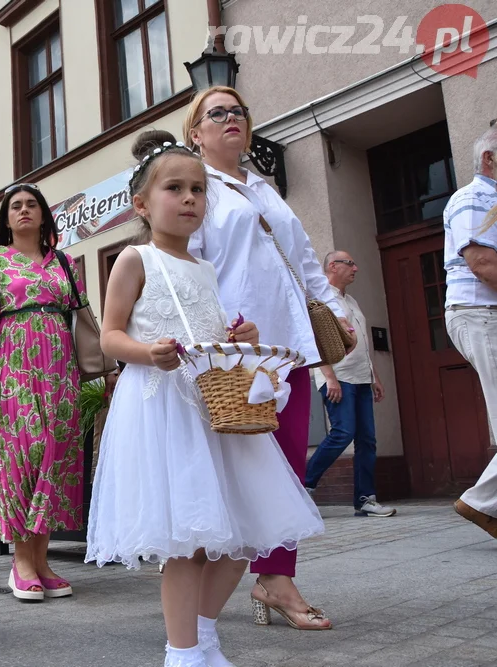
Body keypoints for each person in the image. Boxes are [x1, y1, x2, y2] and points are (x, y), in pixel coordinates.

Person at [86, 130, 324, 667]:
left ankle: (204, 633)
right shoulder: (134, 259)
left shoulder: (206, 268)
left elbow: (208, 329)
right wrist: (148, 351)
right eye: (175, 188)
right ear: (142, 203)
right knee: (187, 543)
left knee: (242, 539)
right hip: (165, 409)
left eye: (198, 189)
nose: (191, 197)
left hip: (214, 411)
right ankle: (183, 652)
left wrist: (237, 337)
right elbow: (111, 336)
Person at [185, 85, 353, 630]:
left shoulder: (264, 187)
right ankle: (217, 577)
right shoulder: (196, 189)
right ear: (196, 133)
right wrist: (216, 334)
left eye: (238, 111)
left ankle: (274, 575)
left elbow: (304, 263)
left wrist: (335, 309)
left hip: (291, 348)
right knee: (244, 468)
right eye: (218, 113)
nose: (231, 118)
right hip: (240, 351)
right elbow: (190, 269)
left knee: (286, 466)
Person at [0, 184, 85, 601]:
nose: (23, 211)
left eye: (31, 204)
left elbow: (80, 313)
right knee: (24, 455)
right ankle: (20, 562)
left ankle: (42, 560)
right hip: (13, 366)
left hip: (61, 367)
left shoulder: (66, 263)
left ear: (43, 214)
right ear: (6, 217)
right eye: (15, 206)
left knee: (55, 456)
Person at [304, 251, 396, 517]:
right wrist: (329, 377)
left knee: (367, 439)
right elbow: (315, 340)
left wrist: (374, 376)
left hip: (361, 378)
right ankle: (304, 485)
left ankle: (365, 499)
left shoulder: (352, 301)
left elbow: (363, 344)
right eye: (350, 263)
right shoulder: (321, 298)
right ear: (333, 266)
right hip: (338, 377)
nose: (356, 268)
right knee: (343, 433)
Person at [447, 126, 497, 536]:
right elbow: (482, 263)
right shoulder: (474, 198)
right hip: (482, 312)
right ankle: (482, 502)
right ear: (489, 160)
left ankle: (484, 503)